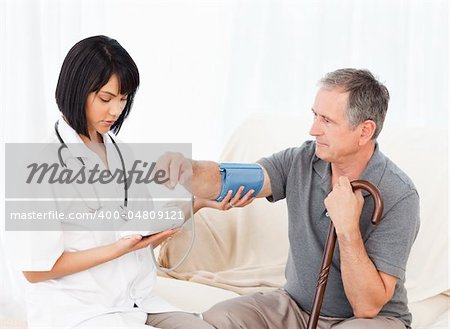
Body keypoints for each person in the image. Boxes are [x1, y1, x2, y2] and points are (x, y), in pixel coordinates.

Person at [160, 68, 420, 329]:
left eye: (327, 121)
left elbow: (366, 307)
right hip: (295, 308)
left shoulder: (399, 194)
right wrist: (188, 169)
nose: (313, 129)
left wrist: (348, 229)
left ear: (365, 131)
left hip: (370, 321)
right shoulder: (302, 160)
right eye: (315, 115)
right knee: (220, 318)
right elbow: (229, 177)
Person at [10, 35, 236, 329]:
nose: (116, 111)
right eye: (106, 99)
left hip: (135, 301)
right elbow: (35, 270)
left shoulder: (120, 153)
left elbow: (140, 230)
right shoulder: (37, 163)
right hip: (77, 312)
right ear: (76, 91)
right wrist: (119, 249)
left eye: (123, 99)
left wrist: (199, 203)